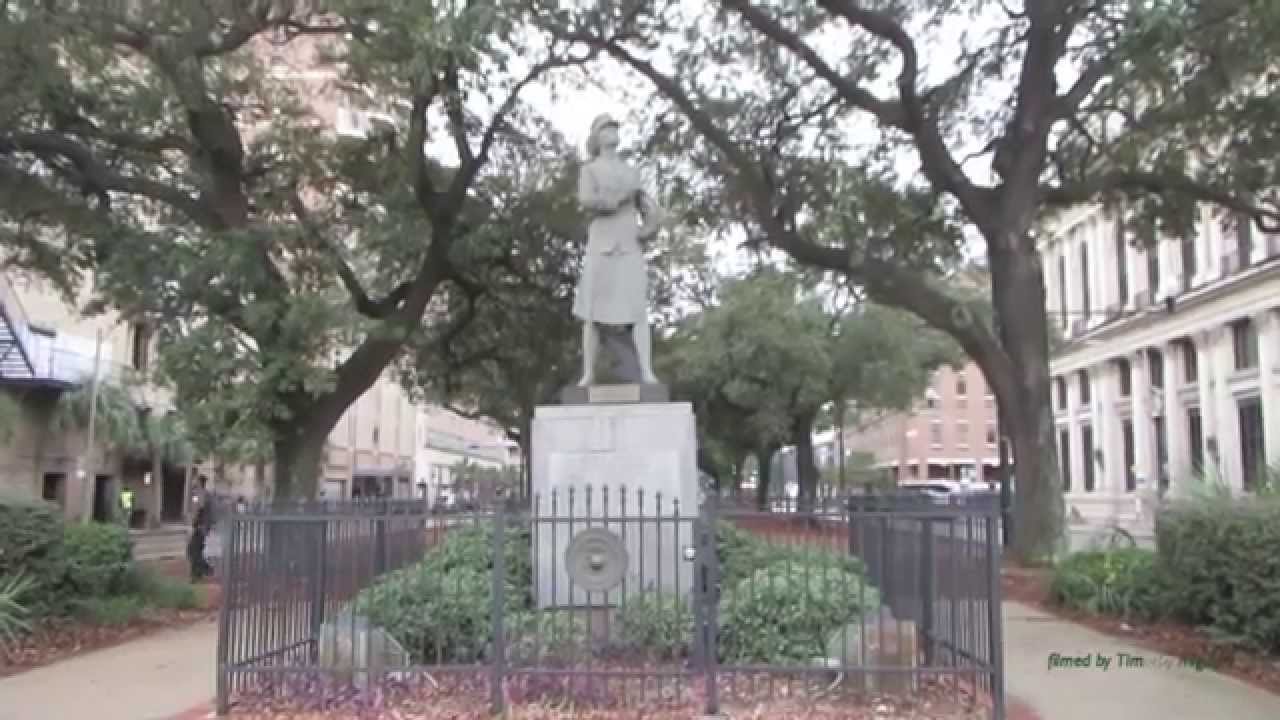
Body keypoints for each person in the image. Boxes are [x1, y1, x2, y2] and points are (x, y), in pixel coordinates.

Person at [574, 113, 666, 386]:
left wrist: (651, 225)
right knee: (591, 313)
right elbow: (586, 200)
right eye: (606, 127)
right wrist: (612, 201)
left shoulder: (632, 172)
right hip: (601, 243)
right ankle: (588, 373)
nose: (612, 131)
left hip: (628, 244)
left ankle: (647, 372)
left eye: (614, 127)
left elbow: (648, 206)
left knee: (638, 310)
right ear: (597, 137)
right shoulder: (589, 170)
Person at [187, 475, 214, 581]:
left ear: (199, 482)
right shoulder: (205, 494)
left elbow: (199, 509)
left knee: (192, 550)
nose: (194, 482)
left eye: (195, 481)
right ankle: (196, 575)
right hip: (203, 527)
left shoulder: (200, 493)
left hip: (200, 527)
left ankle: (206, 569)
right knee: (196, 550)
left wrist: (194, 523)